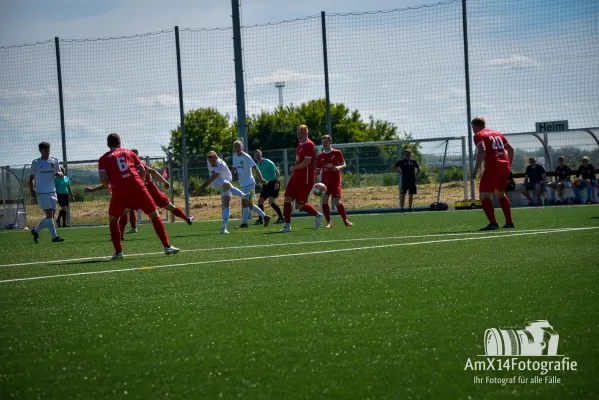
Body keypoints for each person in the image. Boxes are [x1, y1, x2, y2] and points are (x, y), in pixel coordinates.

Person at [98, 133, 179, 259]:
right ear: (120, 142)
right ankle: (167, 246)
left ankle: (118, 252)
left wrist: (110, 188)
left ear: (108, 144)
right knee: (154, 215)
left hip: (119, 190)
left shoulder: (103, 158)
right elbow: (142, 170)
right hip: (137, 186)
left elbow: (103, 178)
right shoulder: (130, 153)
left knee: (113, 220)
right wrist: (140, 183)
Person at [471, 116, 515, 231]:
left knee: (484, 196)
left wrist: (475, 169)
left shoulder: (478, 135)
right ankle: (509, 222)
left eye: (473, 127)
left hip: (493, 166)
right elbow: (510, 149)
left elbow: (482, 150)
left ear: (475, 126)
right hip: (504, 165)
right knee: (501, 194)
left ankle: (493, 223)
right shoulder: (498, 133)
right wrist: (508, 166)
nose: (473, 130)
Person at [192, 151, 252, 234]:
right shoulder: (208, 161)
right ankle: (243, 195)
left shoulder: (221, 164)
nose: (210, 160)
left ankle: (223, 228)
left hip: (225, 182)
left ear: (216, 157)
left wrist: (199, 189)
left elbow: (212, 178)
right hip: (216, 183)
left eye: (212, 157)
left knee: (226, 202)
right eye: (209, 158)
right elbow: (211, 179)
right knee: (226, 184)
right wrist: (199, 190)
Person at [280, 125, 324, 233]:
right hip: (296, 177)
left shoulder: (309, 145)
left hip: (306, 179)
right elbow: (299, 160)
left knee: (300, 205)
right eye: (298, 133)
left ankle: (317, 215)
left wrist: (295, 167)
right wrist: (294, 169)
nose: (299, 136)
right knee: (287, 199)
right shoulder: (300, 145)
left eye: (302, 134)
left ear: (306, 134)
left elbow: (307, 162)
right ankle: (287, 225)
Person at [29, 142, 65, 243]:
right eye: (45, 150)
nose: (47, 152)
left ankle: (35, 231)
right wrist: (32, 189)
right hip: (42, 192)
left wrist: (59, 173)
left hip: (52, 191)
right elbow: (31, 178)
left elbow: (61, 173)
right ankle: (54, 237)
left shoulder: (54, 160)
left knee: (51, 217)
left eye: (48, 149)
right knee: (49, 216)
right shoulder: (36, 162)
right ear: (40, 151)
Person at [231, 140, 271, 228]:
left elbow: (255, 168)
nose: (237, 148)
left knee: (245, 203)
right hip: (242, 184)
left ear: (242, 147)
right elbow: (234, 168)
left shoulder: (246, 157)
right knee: (249, 204)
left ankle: (244, 223)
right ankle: (265, 217)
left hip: (249, 184)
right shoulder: (234, 157)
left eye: (239, 146)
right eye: (235, 147)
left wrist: (262, 179)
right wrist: (231, 177)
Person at [316, 135, 352, 228]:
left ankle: (345, 220)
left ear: (330, 142)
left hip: (335, 182)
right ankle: (328, 222)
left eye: (326, 142)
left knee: (337, 201)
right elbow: (318, 170)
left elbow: (344, 164)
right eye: (323, 142)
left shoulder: (337, 153)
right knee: (324, 200)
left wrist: (339, 167)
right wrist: (314, 179)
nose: (324, 144)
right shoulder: (320, 156)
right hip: (325, 183)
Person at [253, 150, 285, 224]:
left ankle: (281, 218)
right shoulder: (257, 165)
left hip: (273, 183)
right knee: (260, 201)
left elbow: (277, 172)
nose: (257, 157)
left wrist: (277, 182)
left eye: (258, 155)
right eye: (255, 155)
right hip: (266, 184)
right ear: (254, 157)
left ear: (261, 155)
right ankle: (261, 219)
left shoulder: (268, 162)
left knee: (271, 201)